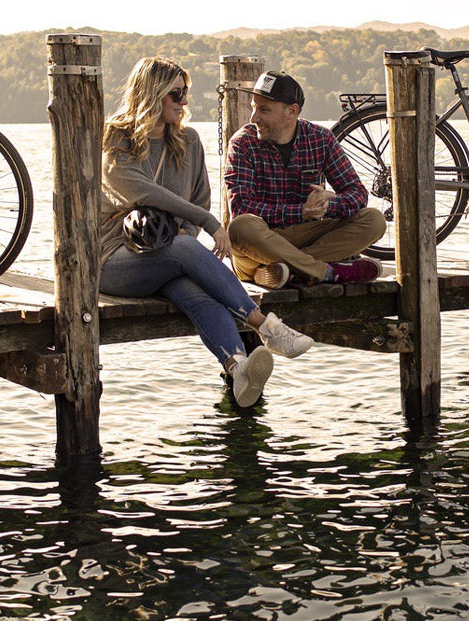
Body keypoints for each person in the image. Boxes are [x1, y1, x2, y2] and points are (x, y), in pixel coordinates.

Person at [98, 57, 314, 408]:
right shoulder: (116, 141)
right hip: (112, 261)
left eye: (186, 94)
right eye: (176, 94)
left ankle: (237, 367)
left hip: (166, 257)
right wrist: (210, 224)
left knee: (197, 295)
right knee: (184, 247)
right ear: (152, 94)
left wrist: (190, 226)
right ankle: (266, 326)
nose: (184, 102)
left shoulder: (188, 141)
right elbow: (142, 191)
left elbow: (200, 196)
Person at [225, 70, 387, 289]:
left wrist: (329, 204)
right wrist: (301, 211)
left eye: (263, 110)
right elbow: (240, 207)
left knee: (374, 220)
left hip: (306, 236)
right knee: (241, 227)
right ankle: (326, 271)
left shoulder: (321, 138)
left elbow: (357, 194)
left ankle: (282, 272)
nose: (254, 118)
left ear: (292, 112)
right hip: (260, 244)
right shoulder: (243, 143)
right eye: (253, 107)